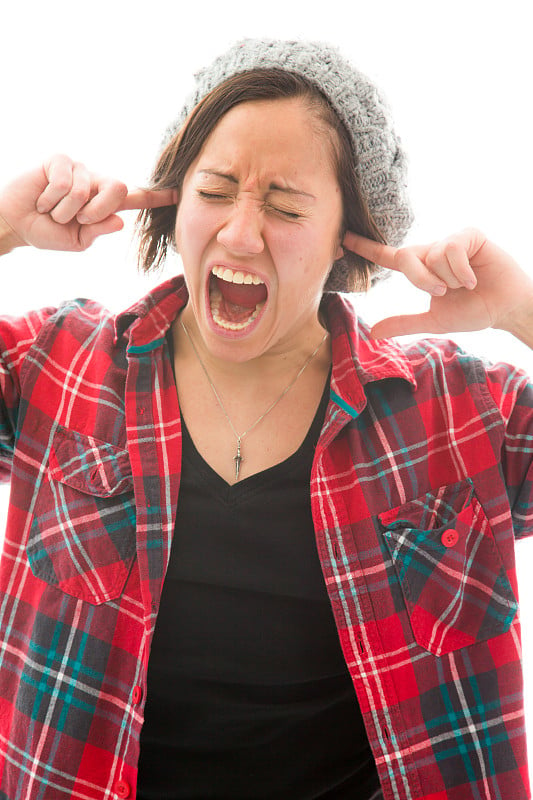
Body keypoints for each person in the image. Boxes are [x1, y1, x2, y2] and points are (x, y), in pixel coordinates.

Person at [0, 37, 532, 800]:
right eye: (214, 191)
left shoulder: (459, 410)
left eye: (284, 207)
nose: (241, 234)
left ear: (350, 240)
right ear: (174, 201)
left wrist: (520, 309)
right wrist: (7, 226)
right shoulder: (60, 365)